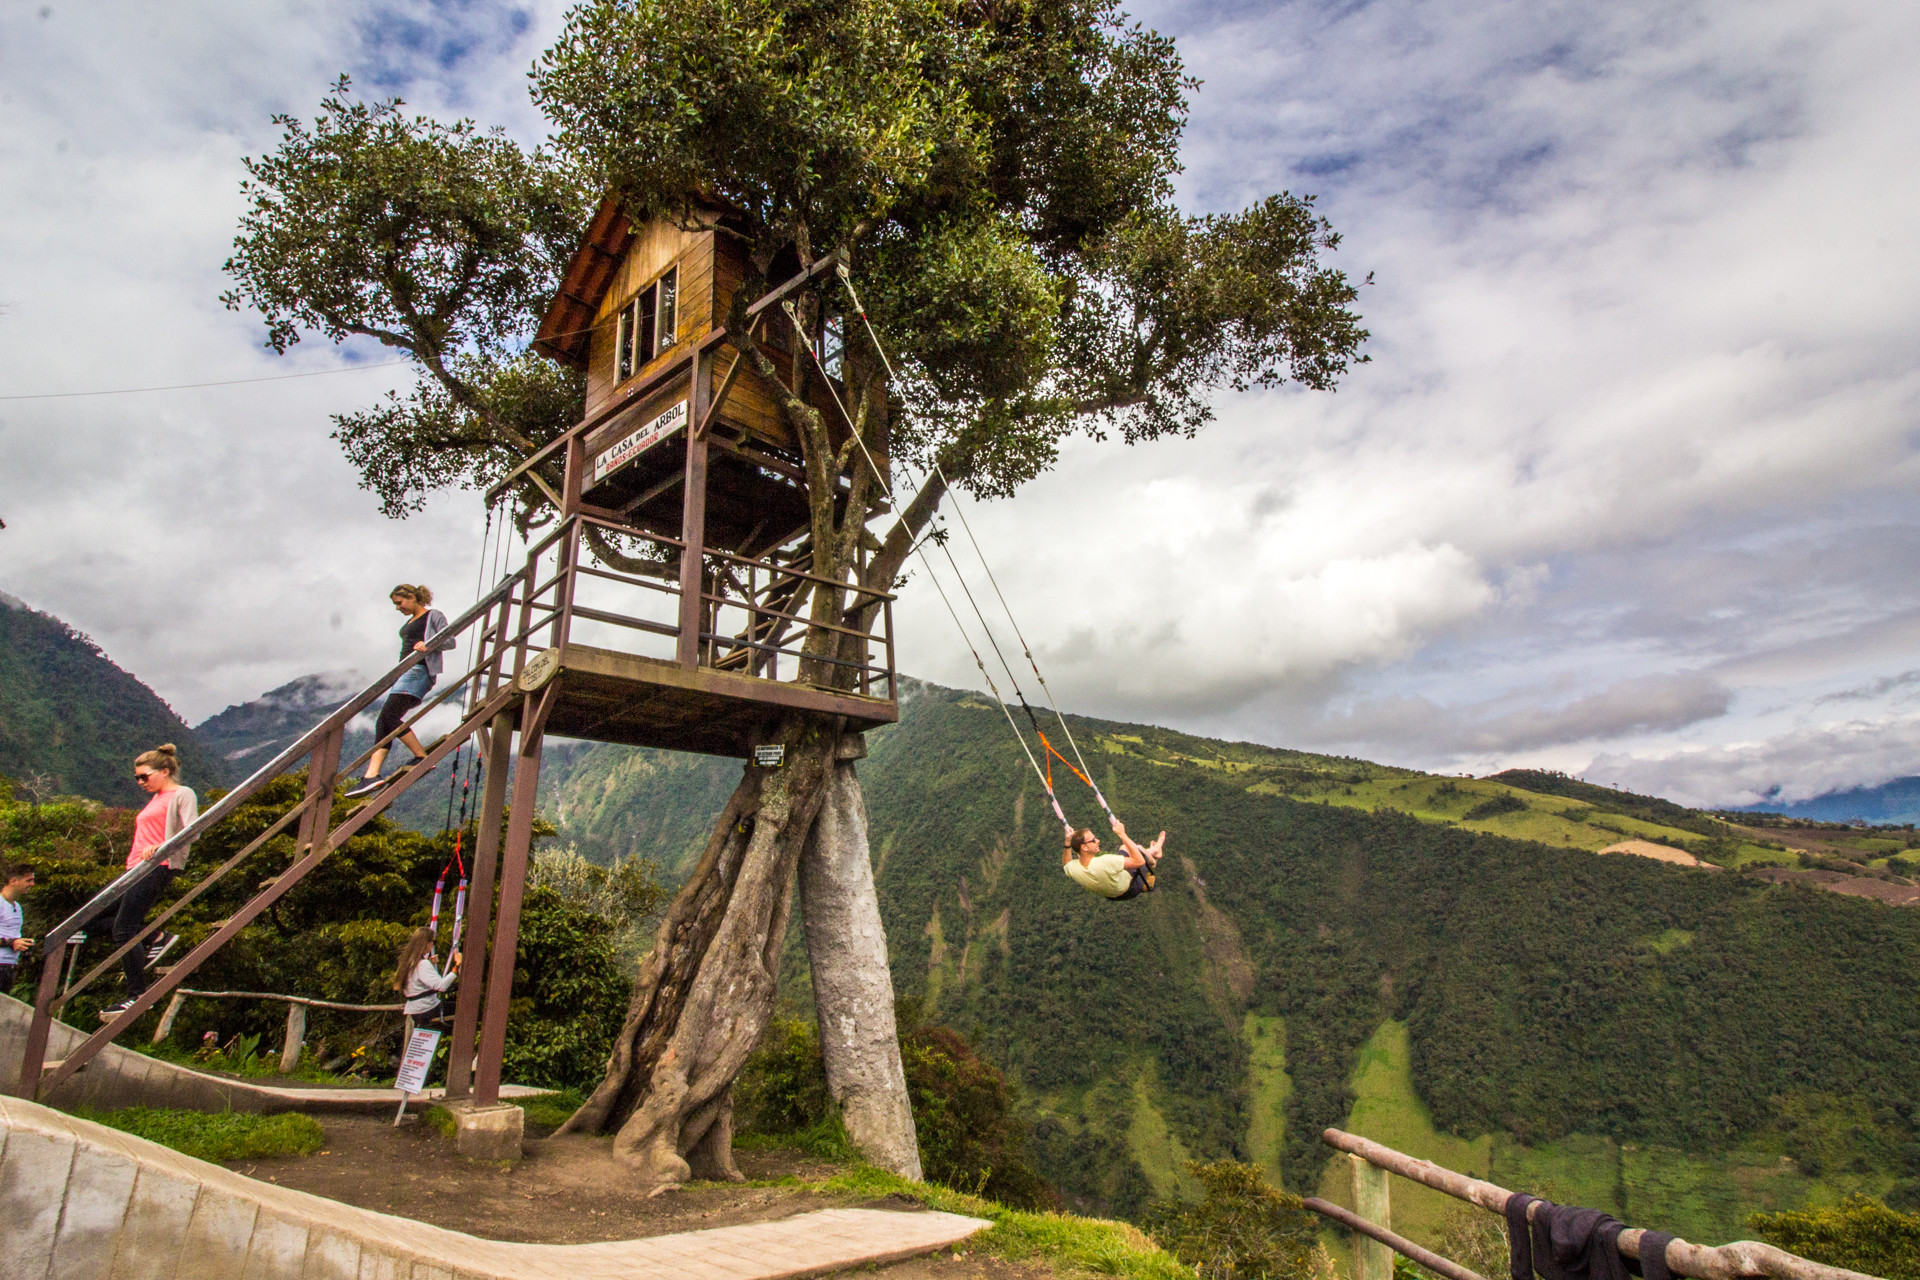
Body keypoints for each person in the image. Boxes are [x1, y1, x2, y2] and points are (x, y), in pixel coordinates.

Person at [88, 744, 196, 1018]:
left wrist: (161, 846)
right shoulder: (156, 797)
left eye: (144, 776)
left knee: (124, 930)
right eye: (137, 777)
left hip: (157, 866)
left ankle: (137, 996)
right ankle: (156, 937)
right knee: (91, 917)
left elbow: (193, 830)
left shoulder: (182, 793)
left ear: (164, 771)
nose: (140, 782)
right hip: (134, 869)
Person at [347, 584, 455, 799]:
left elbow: (450, 640)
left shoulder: (433, 615)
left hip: (419, 671)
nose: (398, 608)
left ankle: (420, 756)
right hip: (405, 673)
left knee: (389, 716)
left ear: (413, 597)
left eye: (400, 602)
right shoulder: (409, 622)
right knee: (384, 722)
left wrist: (429, 644)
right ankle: (371, 775)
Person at [1061, 815, 1166, 901]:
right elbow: (1139, 861)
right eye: (1093, 840)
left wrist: (1067, 843)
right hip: (1133, 885)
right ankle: (1154, 855)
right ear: (1084, 847)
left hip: (1114, 895)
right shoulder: (1106, 862)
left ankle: (1154, 853)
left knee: (1125, 850)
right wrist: (1122, 834)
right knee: (1135, 848)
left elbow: (1066, 865)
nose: (1098, 841)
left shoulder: (1075, 868)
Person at [394, 926, 459, 1029]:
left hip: (415, 1011)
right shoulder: (423, 964)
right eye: (433, 941)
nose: (433, 945)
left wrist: (430, 964)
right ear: (427, 943)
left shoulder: (408, 962)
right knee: (466, 1010)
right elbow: (441, 986)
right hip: (428, 1008)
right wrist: (456, 968)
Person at [0, 862, 35, 987]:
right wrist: (11, 943)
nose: (32, 884)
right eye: (28, 880)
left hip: (9, 966)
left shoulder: (17, 907)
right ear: (13, 881)